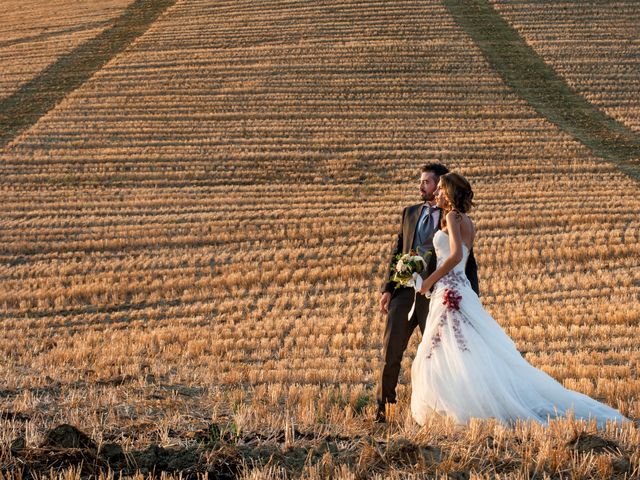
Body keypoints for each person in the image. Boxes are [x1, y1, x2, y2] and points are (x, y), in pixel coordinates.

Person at [411, 172, 628, 427]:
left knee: (440, 348)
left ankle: (460, 405)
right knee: (461, 347)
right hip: (461, 290)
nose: (435, 193)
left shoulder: (450, 217)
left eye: (439, 190)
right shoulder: (467, 221)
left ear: (448, 193)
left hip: (449, 290)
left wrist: (429, 281)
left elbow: (457, 256)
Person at [375, 163, 479, 423]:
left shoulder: (449, 218)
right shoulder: (409, 213)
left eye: (428, 183)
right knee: (390, 354)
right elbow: (398, 252)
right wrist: (389, 288)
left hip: (434, 295)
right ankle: (382, 411)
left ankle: (441, 409)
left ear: (441, 186)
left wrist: (471, 298)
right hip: (404, 293)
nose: (422, 187)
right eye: (421, 182)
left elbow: (465, 259)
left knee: (436, 355)